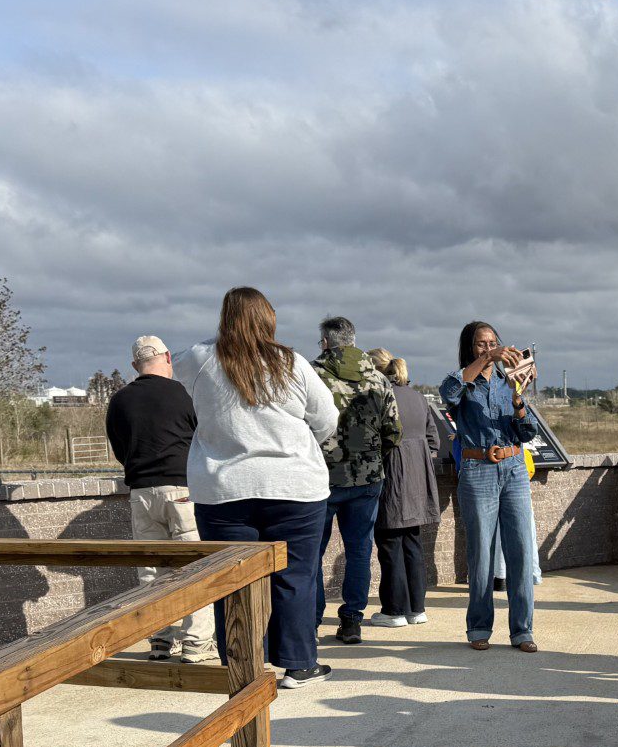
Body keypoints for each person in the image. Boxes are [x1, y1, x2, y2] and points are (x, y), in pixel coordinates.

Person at [176, 287, 339, 688]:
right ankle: (299, 664)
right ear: (270, 319)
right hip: (294, 486)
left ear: (224, 319)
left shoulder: (200, 358)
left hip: (224, 489)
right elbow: (328, 419)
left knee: (232, 579)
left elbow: (169, 369)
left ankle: (240, 662)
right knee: (296, 575)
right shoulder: (293, 363)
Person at [105, 334, 216, 663]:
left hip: (141, 491)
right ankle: (196, 643)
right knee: (195, 568)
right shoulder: (183, 394)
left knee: (152, 572)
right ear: (167, 358)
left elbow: (119, 448)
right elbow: (203, 439)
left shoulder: (120, 400)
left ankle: (159, 640)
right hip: (182, 489)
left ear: (134, 365)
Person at [441, 321, 539, 652]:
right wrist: (484, 361)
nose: (489, 348)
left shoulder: (508, 381)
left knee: (521, 551)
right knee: (481, 551)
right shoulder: (461, 383)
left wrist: (518, 399)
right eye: (481, 344)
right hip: (478, 469)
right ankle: (479, 627)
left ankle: (522, 630)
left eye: (493, 343)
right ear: (470, 348)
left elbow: (528, 433)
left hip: (513, 469)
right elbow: (448, 393)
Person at [312, 317, 402, 644]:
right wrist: (372, 456)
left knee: (311, 552)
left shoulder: (312, 375)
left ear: (325, 342)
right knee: (360, 551)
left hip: (321, 479)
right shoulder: (378, 379)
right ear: (353, 340)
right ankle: (351, 620)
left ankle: (310, 619)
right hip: (367, 480)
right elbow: (394, 431)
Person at [371, 356, 442, 627]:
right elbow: (433, 439)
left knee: (390, 544)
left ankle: (394, 609)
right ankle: (417, 608)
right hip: (418, 479)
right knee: (413, 544)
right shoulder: (419, 398)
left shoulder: (381, 397)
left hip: (392, 476)